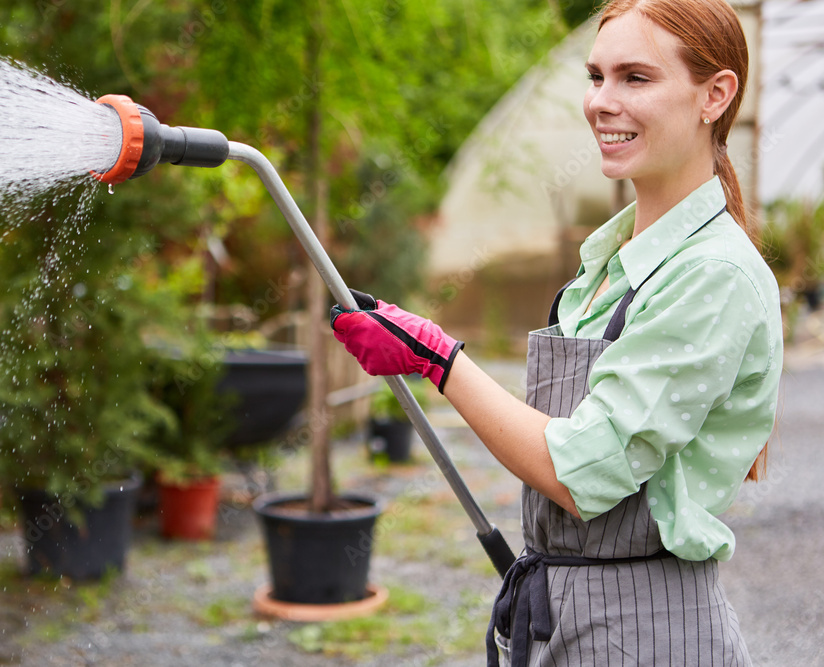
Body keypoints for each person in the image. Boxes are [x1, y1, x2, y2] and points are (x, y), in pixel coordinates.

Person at [330, 0, 783, 665]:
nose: (602, 100)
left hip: (646, 632)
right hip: (566, 618)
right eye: (596, 76)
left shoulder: (712, 274)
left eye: (635, 78)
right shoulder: (607, 263)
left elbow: (581, 472)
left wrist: (438, 358)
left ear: (715, 95)